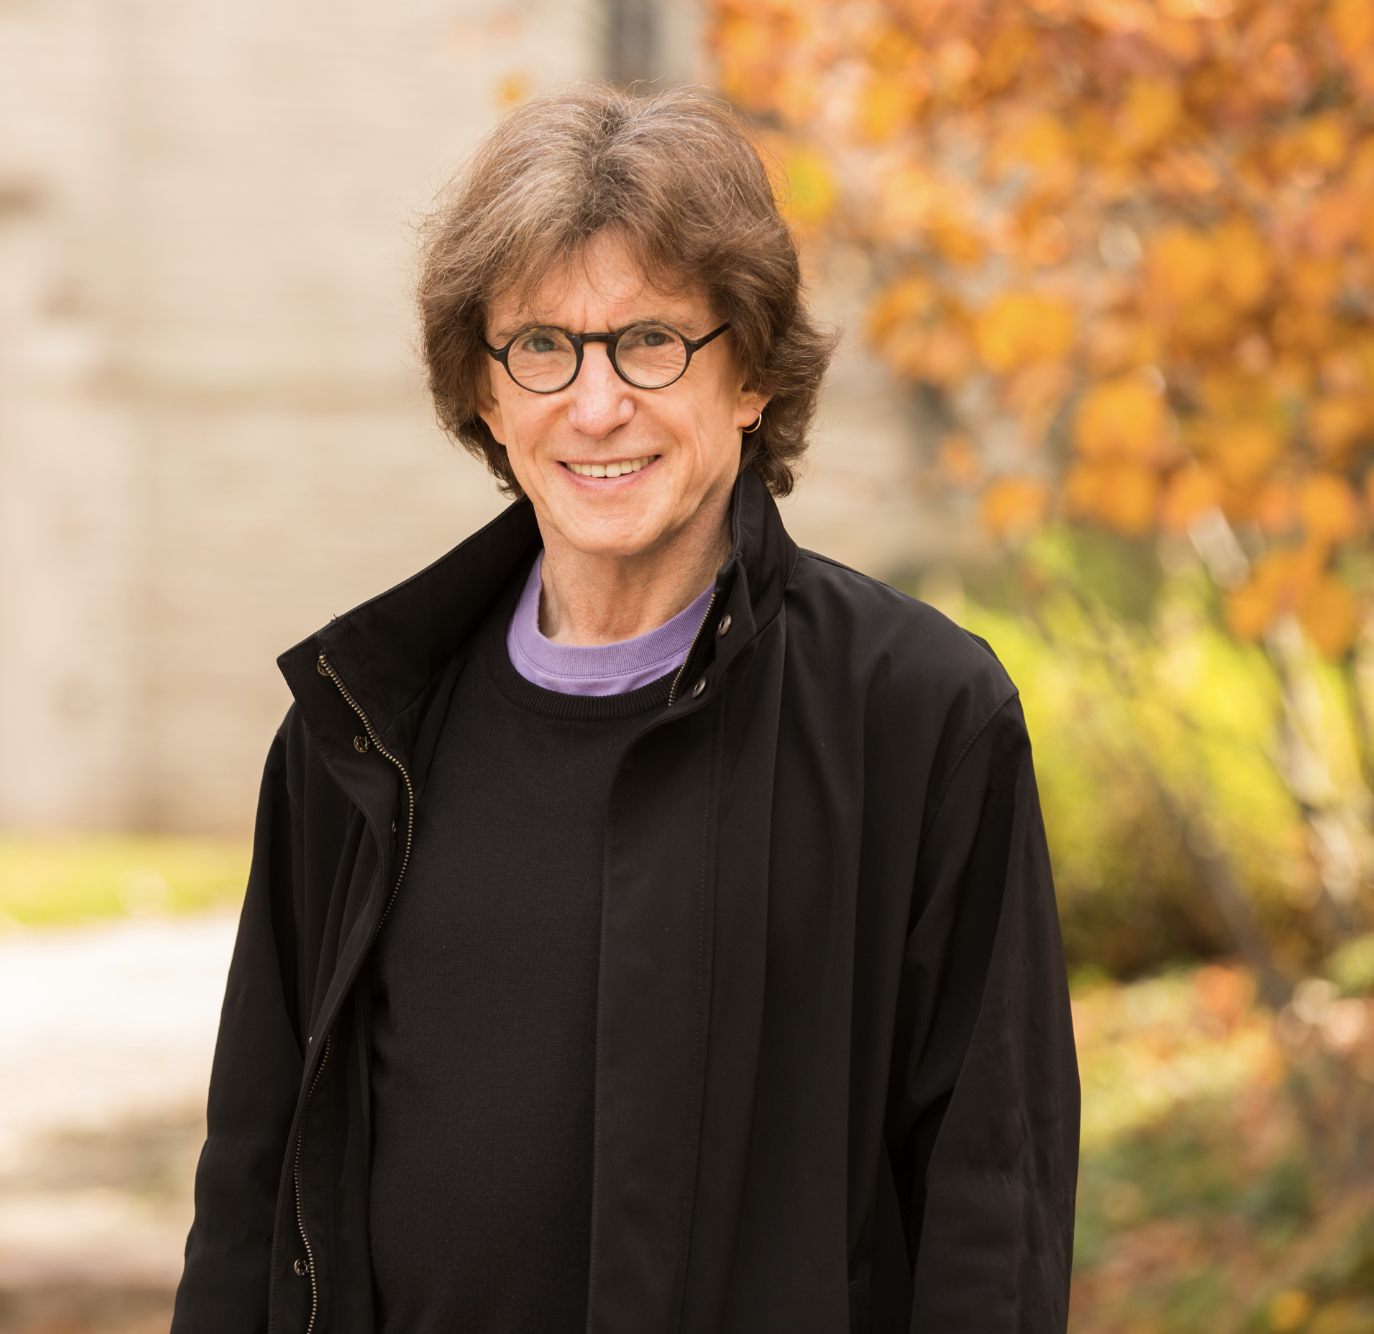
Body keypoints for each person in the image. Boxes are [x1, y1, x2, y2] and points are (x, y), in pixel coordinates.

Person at [171, 86, 1079, 1334]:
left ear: (751, 374)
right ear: (486, 395)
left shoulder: (917, 717)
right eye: (539, 345)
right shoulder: (358, 730)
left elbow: (993, 1197)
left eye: (650, 341)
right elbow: (250, 1188)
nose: (593, 406)